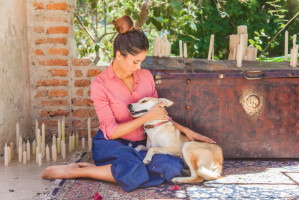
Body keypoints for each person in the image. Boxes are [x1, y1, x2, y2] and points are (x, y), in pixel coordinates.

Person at [41, 15, 216, 192]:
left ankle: (113, 170)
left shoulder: (146, 77)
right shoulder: (100, 84)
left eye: (141, 61)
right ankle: (77, 172)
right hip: (113, 144)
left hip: (143, 144)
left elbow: (159, 114)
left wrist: (185, 130)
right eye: (135, 61)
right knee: (134, 166)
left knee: (172, 167)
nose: (139, 67)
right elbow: (112, 131)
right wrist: (147, 117)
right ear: (119, 55)